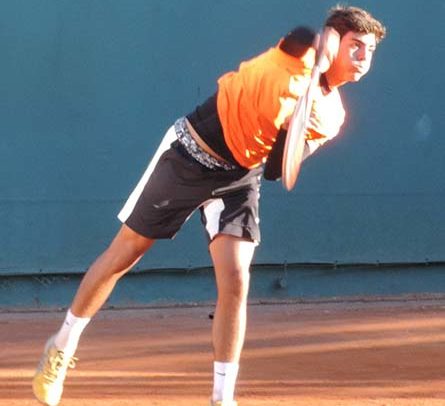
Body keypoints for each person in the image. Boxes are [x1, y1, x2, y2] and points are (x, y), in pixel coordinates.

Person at [32, 5, 386, 406]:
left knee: (236, 279)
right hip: (189, 152)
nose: (364, 57)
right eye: (355, 45)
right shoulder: (299, 55)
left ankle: (222, 398)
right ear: (333, 42)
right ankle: (61, 346)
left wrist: (291, 127)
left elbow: (276, 169)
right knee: (126, 252)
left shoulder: (333, 115)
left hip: (239, 177)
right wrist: (317, 47)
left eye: (370, 50)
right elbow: (298, 36)